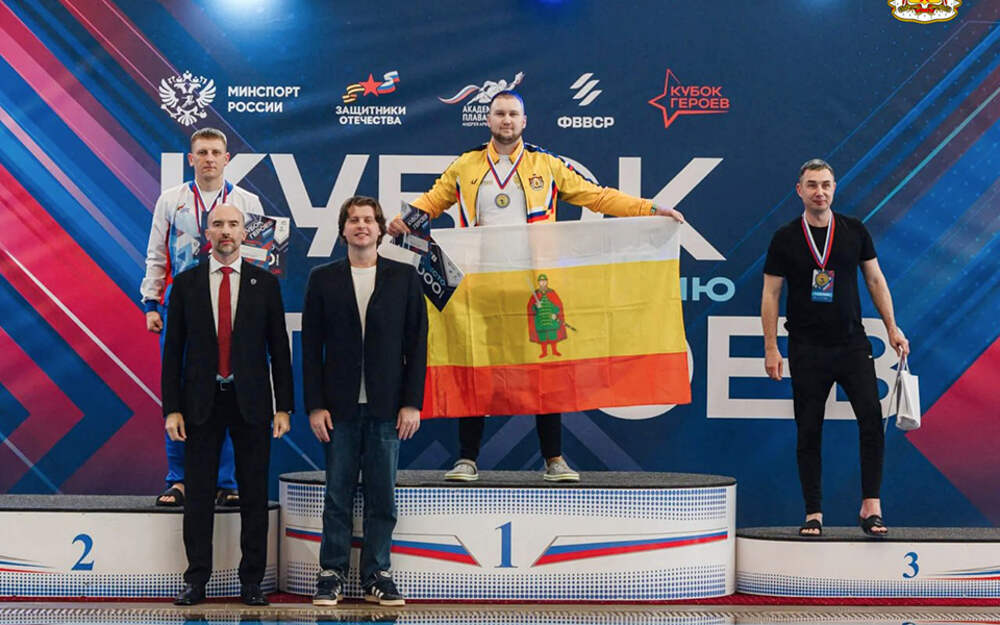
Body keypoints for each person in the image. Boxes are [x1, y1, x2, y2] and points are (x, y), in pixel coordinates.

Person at [387, 90, 684, 483]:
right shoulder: (465, 165)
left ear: (524, 121)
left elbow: (597, 197)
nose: (506, 120)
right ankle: (467, 460)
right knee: (476, 367)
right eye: (499, 113)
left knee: (546, 370)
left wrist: (650, 208)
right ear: (488, 120)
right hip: (480, 286)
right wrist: (403, 220)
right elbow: (430, 202)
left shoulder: (547, 164)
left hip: (535, 286)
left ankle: (554, 459)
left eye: (513, 114)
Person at [761, 158, 909, 538]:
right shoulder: (784, 238)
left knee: (872, 421)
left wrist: (892, 328)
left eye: (826, 185)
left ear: (834, 188)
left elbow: (875, 280)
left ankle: (871, 506)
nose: (819, 192)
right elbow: (771, 294)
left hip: (852, 345)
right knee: (808, 429)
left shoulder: (854, 230)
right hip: (807, 348)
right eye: (812, 185)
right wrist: (771, 348)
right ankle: (813, 512)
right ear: (800, 190)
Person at [162, 203, 292, 605]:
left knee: (253, 495)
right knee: (199, 496)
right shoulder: (185, 284)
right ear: (207, 233)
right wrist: (172, 409)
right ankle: (196, 580)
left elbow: (279, 350)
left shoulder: (264, 284)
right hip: (199, 404)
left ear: (243, 233)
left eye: (233, 224)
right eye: (217, 224)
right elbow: (173, 352)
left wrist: (284, 407)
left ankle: (251, 582)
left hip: (252, 403)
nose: (225, 231)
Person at [302, 196, 428, 607]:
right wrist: (315, 405)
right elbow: (311, 349)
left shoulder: (404, 277)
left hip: (387, 408)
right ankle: (331, 574)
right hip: (337, 409)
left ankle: (377, 574)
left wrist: (412, 403)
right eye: (353, 220)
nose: (361, 226)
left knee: (382, 497)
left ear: (380, 229)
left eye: (369, 220)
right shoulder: (322, 279)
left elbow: (417, 345)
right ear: (343, 230)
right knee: (337, 495)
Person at [141, 127, 264, 508]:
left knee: (229, 388)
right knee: (178, 388)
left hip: (232, 300)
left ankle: (226, 481)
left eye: (215, 152)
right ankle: (179, 479)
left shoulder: (247, 201)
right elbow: (157, 253)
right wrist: (151, 303)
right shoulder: (171, 199)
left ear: (227, 159)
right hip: (182, 304)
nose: (209, 158)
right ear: (191, 159)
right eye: (202, 152)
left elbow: (261, 256)